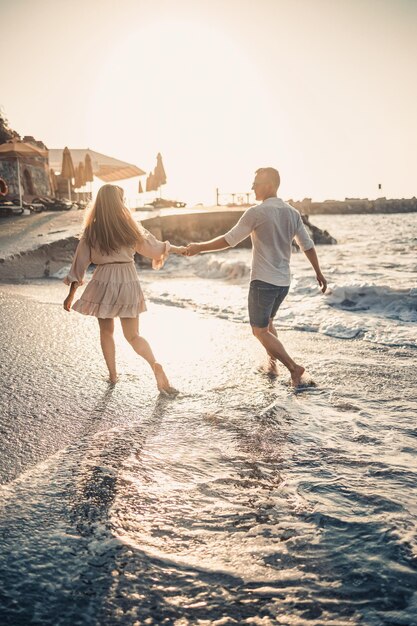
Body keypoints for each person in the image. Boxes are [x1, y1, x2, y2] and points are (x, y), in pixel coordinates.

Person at [186, 167, 327, 387]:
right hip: (283, 283)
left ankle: (293, 368)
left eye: (256, 183)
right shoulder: (292, 212)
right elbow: (307, 245)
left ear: (270, 185)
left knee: (259, 331)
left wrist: (199, 248)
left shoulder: (257, 212)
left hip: (263, 282)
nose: (252, 187)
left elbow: (229, 240)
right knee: (268, 324)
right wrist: (318, 272)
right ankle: (272, 364)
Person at [63, 184, 186, 393]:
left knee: (106, 331)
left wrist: (71, 294)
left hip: (103, 281)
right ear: (119, 202)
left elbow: (79, 264)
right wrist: (177, 249)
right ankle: (154, 364)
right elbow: (154, 248)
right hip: (128, 279)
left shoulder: (92, 231)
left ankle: (112, 375)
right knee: (133, 336)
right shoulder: (129, 228)